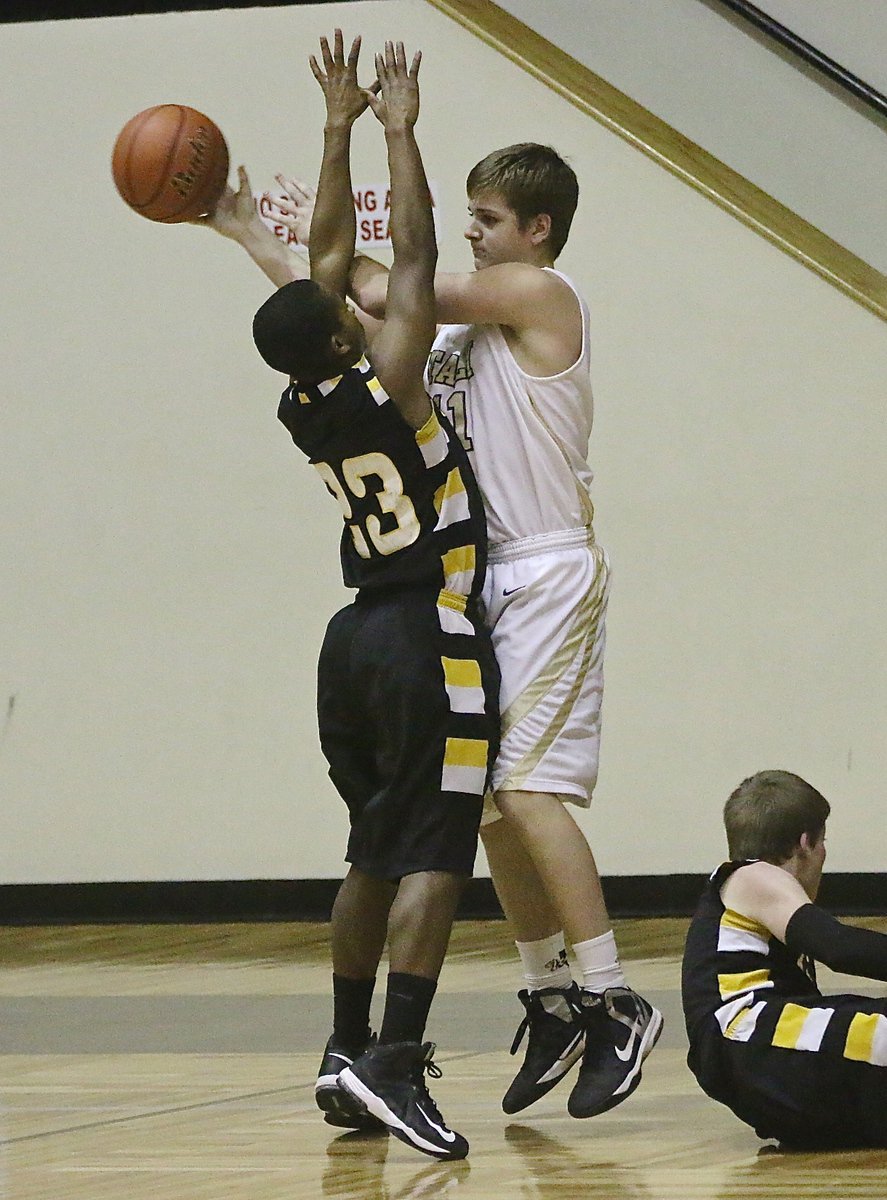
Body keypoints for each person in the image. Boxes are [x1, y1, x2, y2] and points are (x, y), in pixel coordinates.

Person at [203, 123, 661, 1119]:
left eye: (490, 221)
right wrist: (277, 249)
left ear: (538, 229)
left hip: (544, 567)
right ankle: (549, 992)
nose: (476, 234)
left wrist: (320, 193)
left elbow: (377, 284)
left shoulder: (540, 292)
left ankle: (614, 997)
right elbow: (349, 302)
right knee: (488, 802)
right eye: (468, 218)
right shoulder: (444, 344)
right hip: (474, 582)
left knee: (528, 791)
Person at [249, 32, 499, 1160]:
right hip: (422, 631)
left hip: (346, 641)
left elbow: (326, 256)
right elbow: (408, 255)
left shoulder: (306, 402)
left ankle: (343, 1051)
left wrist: (336, 125)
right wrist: (395, 128)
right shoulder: (389, 375)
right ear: (342, 328)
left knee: (367, 851)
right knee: (439, 852)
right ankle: (397, 1058)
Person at [681, 769, 887, 1148]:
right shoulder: (753, 876)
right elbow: (838, 947)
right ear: (806, 843)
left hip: (755, 1058)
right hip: (750, 1039)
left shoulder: (742, 888)